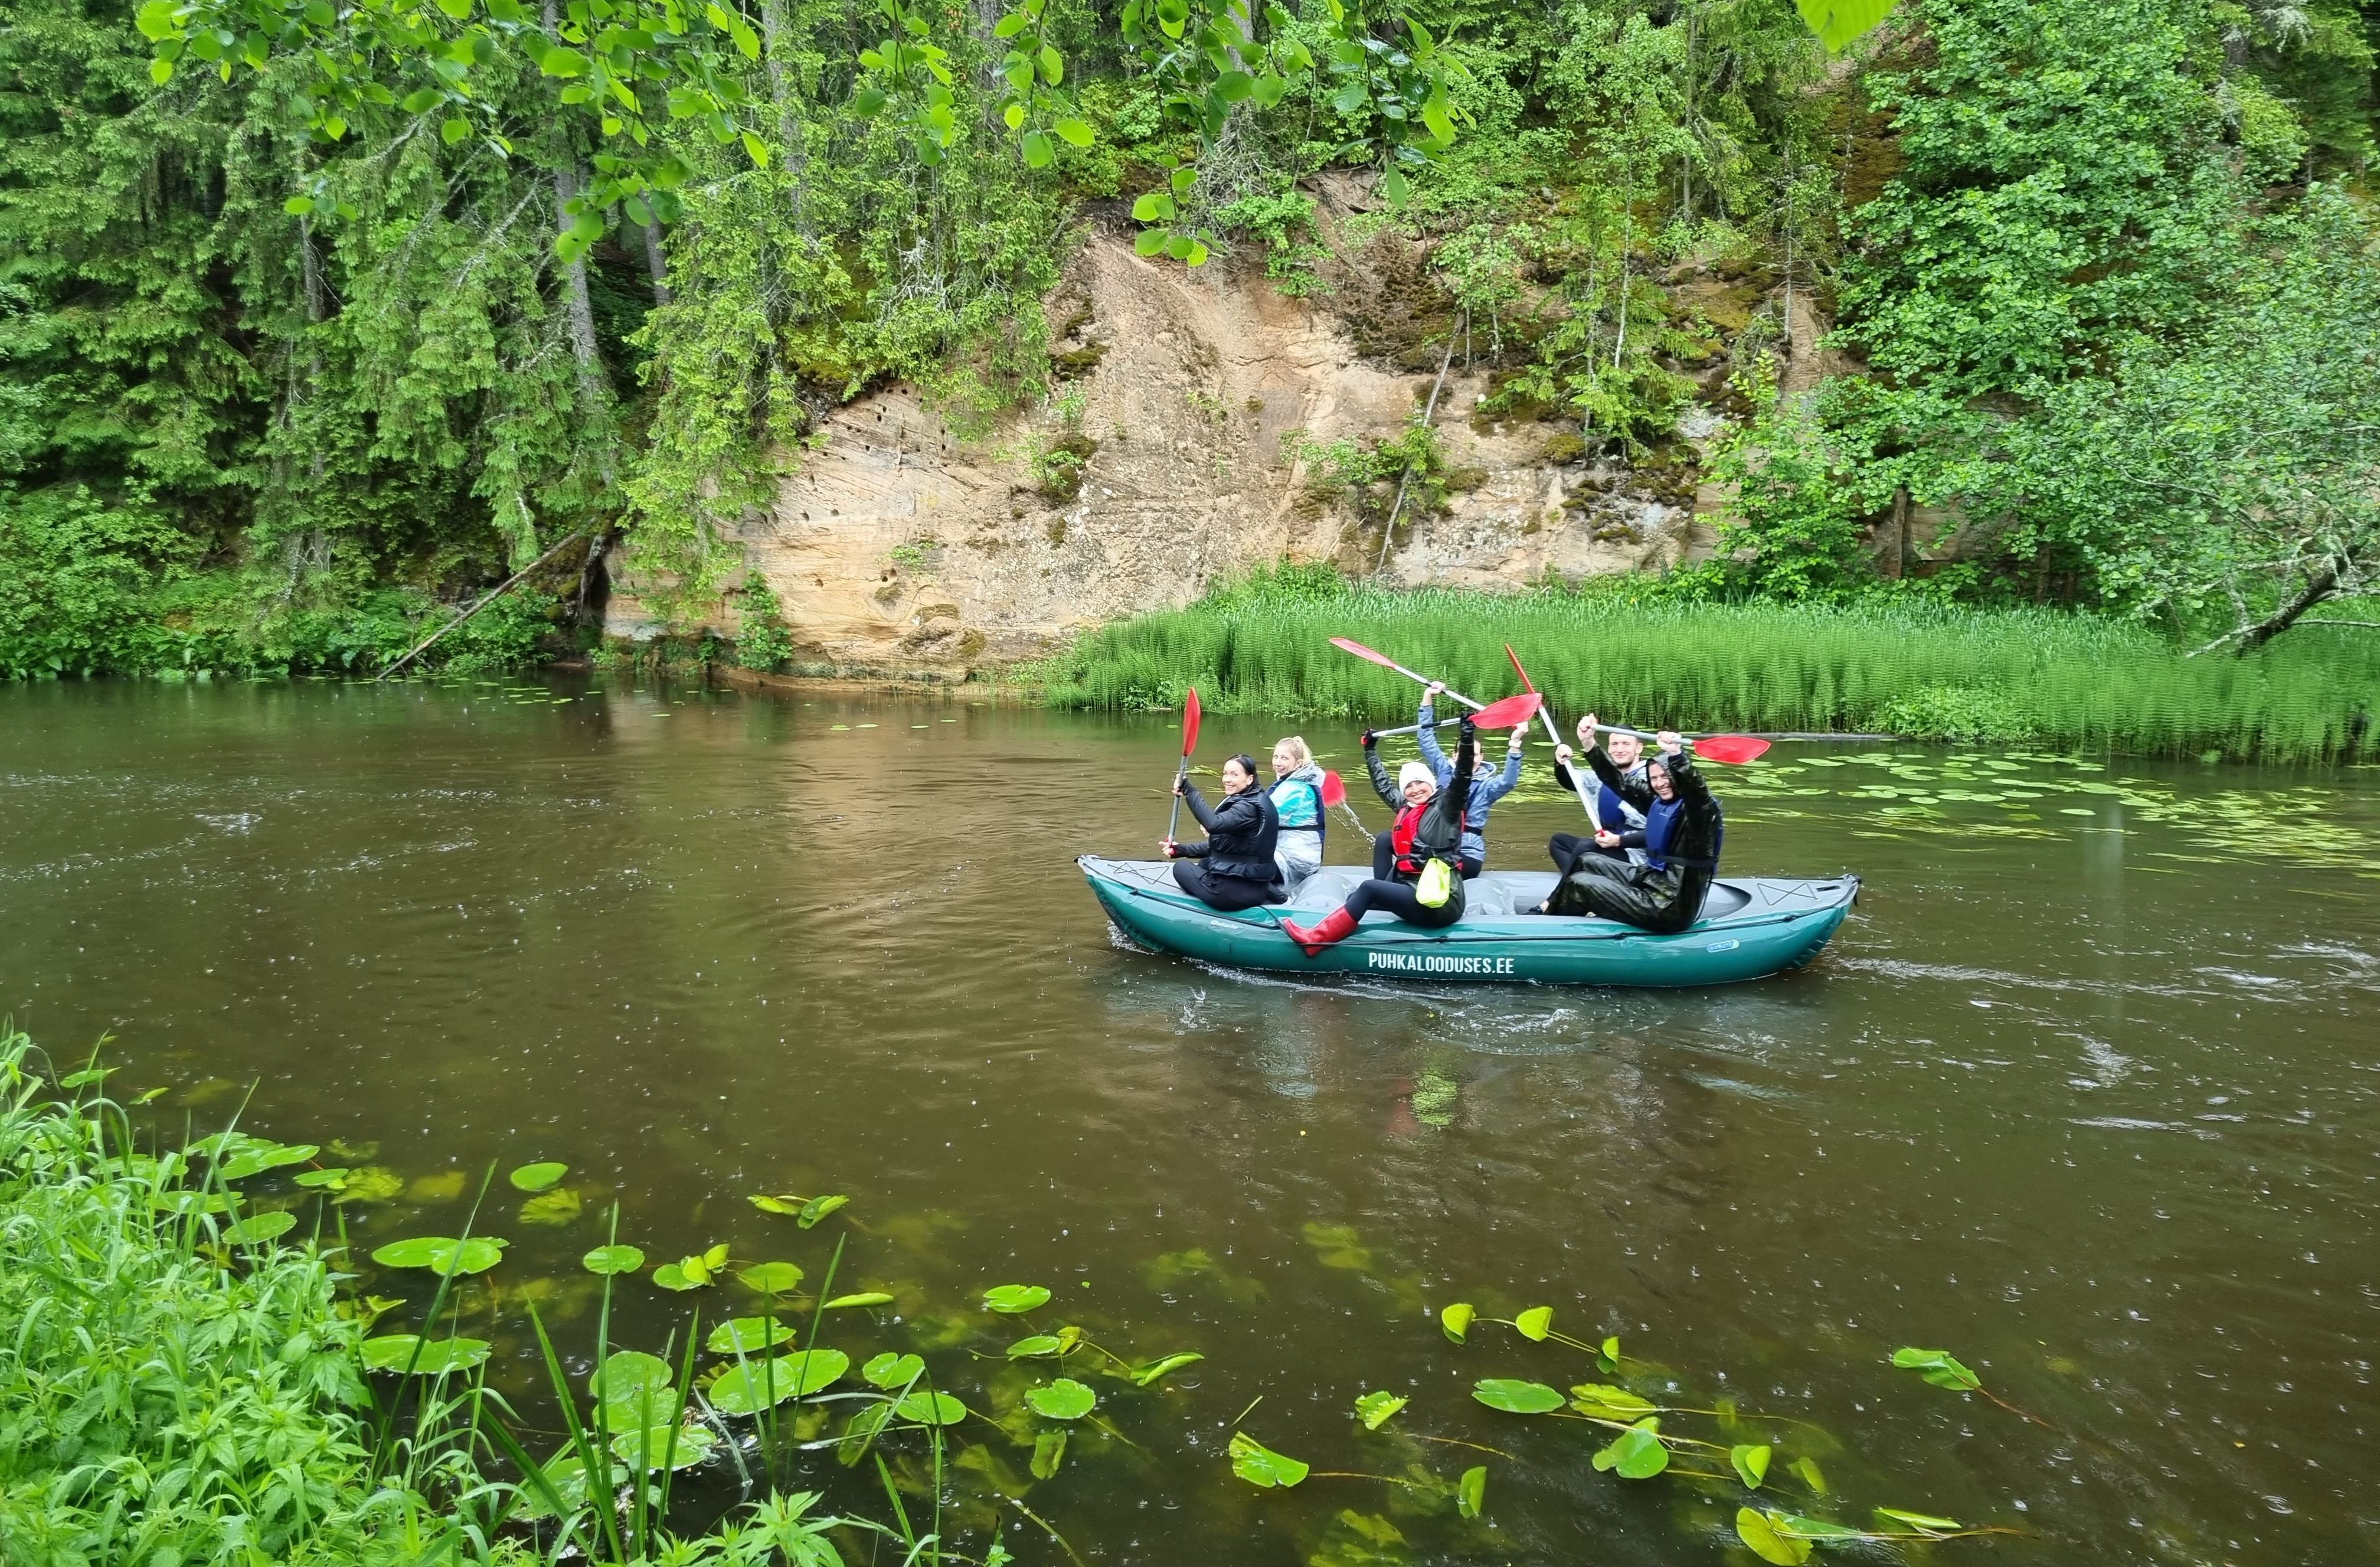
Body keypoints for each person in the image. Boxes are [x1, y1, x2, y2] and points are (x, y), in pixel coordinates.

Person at [1281, 719, 1479, 955]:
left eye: (1420, 783)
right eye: (1409, 786)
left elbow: (1463, 777)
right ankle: (1362, 908)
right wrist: (1370, 750)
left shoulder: (1446, 809)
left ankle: (1315, 941)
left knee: (1369, 889)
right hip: (1415, 887)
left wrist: (1466, 737)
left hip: (1441, 902)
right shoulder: (1410, 806)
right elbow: (1383, 786)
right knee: (1374, 863)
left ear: (1432, 784)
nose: (1415, 789)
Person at [1533, 714, 1724, 932]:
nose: (1660, 784)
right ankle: (1550, 910)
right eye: (1655, 778)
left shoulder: (1701, 812)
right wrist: (1589, 744)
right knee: (1586, 860)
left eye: (1666, 777)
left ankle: (1546, 932)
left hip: (1669, 906)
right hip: (1652, 881)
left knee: (1580, 884)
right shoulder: (1660, 803)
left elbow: (1697, 791)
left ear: (1679, 777)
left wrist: (1676, 755)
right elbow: (1619, 782)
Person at [1406, 683, 1523, 877]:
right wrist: (1428, 698)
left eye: (1475, 754)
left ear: (1481, 758)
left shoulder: (1487, 787)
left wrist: (1515, 743)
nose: (1469, 758)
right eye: (1464, 753)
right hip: (1437, 844)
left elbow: (1509, 781)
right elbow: (1426, 738)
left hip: (1468, 853)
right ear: (1454, 756)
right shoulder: (1443, 768)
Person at [1161, 752, 1285, 912]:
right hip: (1257, 889)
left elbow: (1213, 824)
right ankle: (1277, 896)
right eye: (1225, 774)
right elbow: (1222, 847)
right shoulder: (1259, 799)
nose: (1227, 779)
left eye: (1234, 775)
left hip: (1231, 895)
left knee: (1181, 868)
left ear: (1250, 779)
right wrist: (1181, 850)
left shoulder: (1247, 808)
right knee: (1207, 862)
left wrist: (1189, 790)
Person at [1546, 716, 1647, 874]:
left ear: (1639, 748)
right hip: (1606, 843)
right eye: (1614, 744)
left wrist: (1617, 841)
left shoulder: (1650, 778)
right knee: (1558, 842)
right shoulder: (1601, 777)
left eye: (1626, 744)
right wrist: (1560, 763)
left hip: (1636, 854)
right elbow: (1570, 781)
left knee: (1586, 847)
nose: (1619, 749)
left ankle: (1569, 888)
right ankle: (1578, 880)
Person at [1267, 736, 1327, 892]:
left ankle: (1276, 898)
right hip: (1295, 855)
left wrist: (1223, 824)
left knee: (1240, 864)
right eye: (1276, 757)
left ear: (1298, 763)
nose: (1278, 763)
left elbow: (1261, 815)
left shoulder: (1296, 789)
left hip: (1295, 861)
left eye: (1284, 758)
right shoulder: (1297, 781)